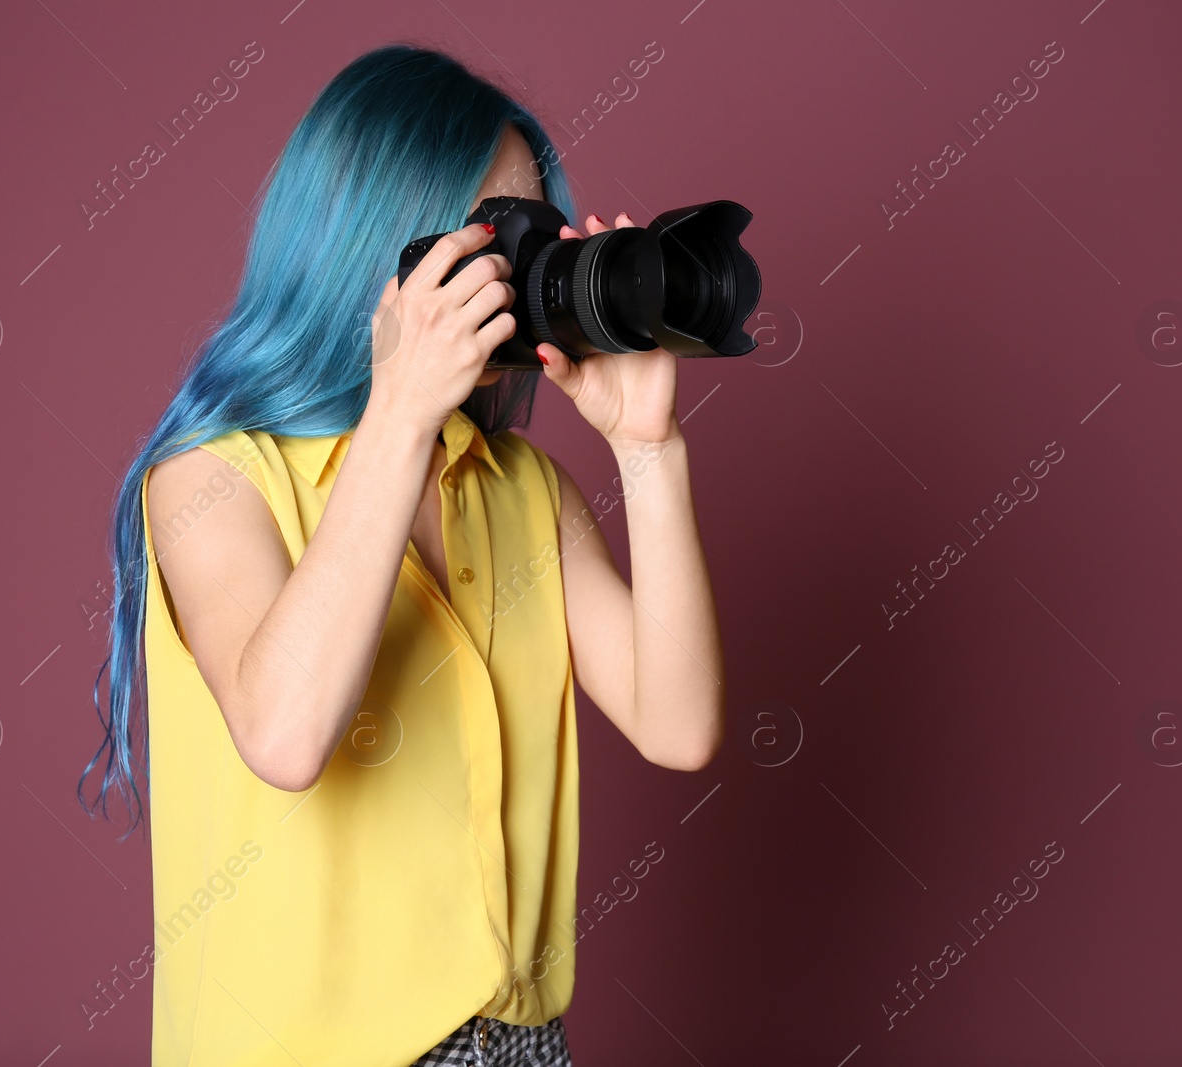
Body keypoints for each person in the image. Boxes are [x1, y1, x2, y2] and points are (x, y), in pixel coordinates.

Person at [77, 43, 725, 1067]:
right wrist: (398, 412)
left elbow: (678, 725)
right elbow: (287, 736)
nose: (518, 276)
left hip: (517, 1044)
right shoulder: (212, 482)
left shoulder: (520, 493)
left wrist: (649, 450)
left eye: (535, 237)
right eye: (490, 241)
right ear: (374, 253)